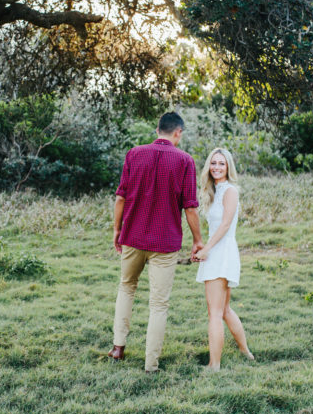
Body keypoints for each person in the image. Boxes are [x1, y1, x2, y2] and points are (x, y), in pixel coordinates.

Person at [108, 112, 204, 373]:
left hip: (133, 237)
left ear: (157, 129)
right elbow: (191, 208)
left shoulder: (134, 154)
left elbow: (120, 198)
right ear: (178, 133)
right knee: (159, 304)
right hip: (165, 242)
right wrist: (198, 240)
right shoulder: (185, 161)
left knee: (126, 287)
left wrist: (117, 229)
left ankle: (118, 347)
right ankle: (151, 364)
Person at [192, 147, 254, 370]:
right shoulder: (213, 191)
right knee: (225, 309)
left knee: (216, 312)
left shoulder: (230, 191)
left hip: (222, 252)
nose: (217, 167)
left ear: (228, 167)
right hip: (216, 249)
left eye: (221, 163)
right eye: (213, 163)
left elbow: (226, 224)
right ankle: (246, 352)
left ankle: (214, 364)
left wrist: (207, 249)